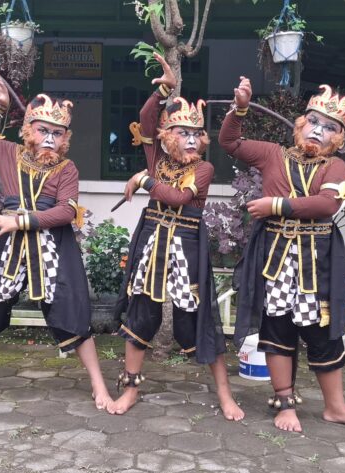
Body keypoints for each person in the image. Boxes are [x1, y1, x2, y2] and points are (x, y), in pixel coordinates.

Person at [0, 72, 112, 410]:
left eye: (57, 133)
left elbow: (66, 212)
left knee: (72, 313)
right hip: (9, 252)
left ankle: (99, 386)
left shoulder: (67, 169)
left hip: (51, 251)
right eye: (43, 130)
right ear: (28, 129)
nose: (49, 139)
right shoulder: (7, 152)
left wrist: (19, 221)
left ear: (65, 138)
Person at [219, 76, 345, 433]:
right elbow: (229, 142)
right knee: (277, 329)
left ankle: (336, 407)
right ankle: (285, 404)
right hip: (276, 260)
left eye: (330, 127)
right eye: (314, 122)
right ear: (301, 124)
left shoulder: (335, 167)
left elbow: (327, 205)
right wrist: (239, 109)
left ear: (338, 138)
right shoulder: (272, 154)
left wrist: (275, 205)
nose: (319, 131)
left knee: (323, 331)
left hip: (316, 263)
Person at [107, 54, 244, 421]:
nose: (192, 140)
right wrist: (163, 91)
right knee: (140, 315)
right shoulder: (157, 157)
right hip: (152, 239)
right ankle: (130, 389)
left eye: (197, 134)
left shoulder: (205, 168)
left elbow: (179, 198)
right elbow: (146, 118)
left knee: (196, 319)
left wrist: (143, 180)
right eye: (183, 133)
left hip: (186, 244)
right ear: (167, 137)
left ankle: (225, 395)